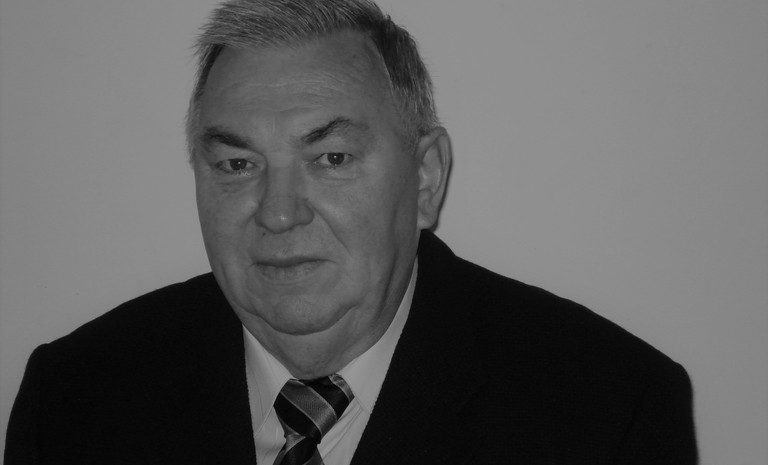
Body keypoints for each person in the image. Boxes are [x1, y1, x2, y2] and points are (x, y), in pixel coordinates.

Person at [5, 0, 697, 463]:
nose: (279, 213)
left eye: (331, 158)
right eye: (238, 164)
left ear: (425, 177)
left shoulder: (607, 413)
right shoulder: (73, 403)